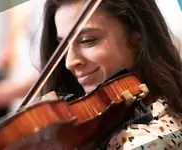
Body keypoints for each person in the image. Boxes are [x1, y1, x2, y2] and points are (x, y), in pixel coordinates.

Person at [37, 0, 182, 149]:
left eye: (88, 40)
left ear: (137, 37)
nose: (69, 62)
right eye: (63, 46)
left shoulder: (142, 140)